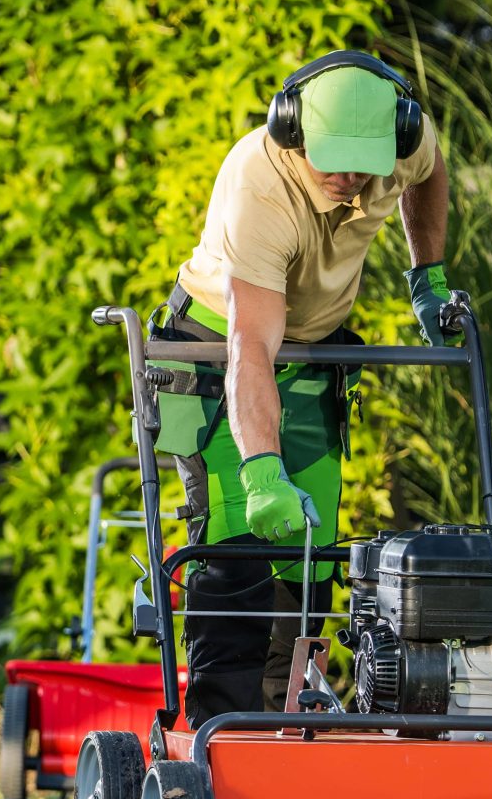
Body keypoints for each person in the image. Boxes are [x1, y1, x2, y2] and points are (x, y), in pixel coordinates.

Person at [151, 50, 451, 725]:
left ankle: (287, 734)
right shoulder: (257, 185)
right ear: (293, 132)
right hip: (215, 359)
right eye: (332, 159)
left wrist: (426, 276)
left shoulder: (405, 143)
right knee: (236, 553)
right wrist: (261, 468)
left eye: (362, 160)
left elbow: (431, 174)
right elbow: (250, 345)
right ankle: (217, 744)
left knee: (308, 564)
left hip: (316, 356)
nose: (349, 175)